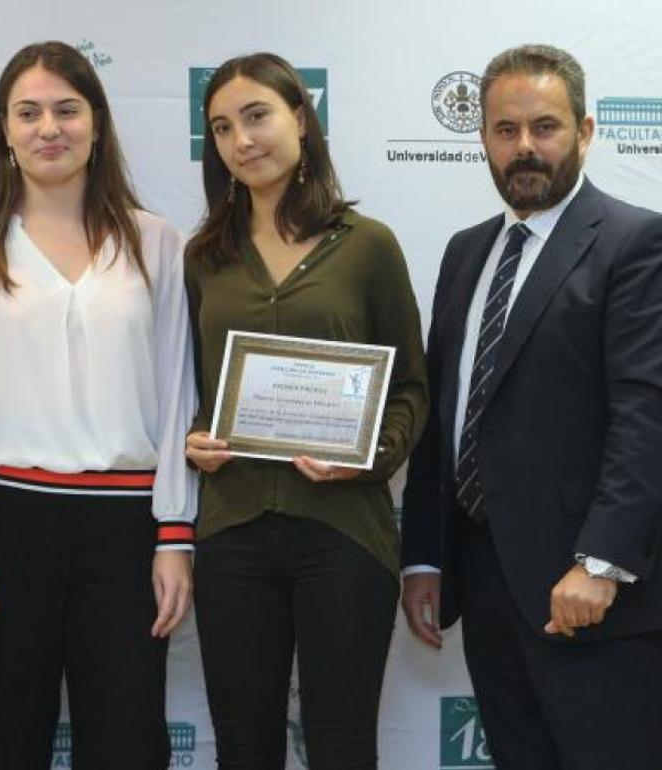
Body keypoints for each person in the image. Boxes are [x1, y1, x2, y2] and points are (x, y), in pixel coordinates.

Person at [400, 44, 662, 770]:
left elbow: (648, 417)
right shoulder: (465, 252)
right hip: (485, 581)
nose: (524, 148)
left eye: (544, 128)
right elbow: (446, 415)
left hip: (589, 594)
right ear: (482, 137)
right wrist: (423, 555)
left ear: (584, 131)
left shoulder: (636, 242)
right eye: (505, 129)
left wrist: (601, 563)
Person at [0, 40, 196, 770]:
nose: (48, 128)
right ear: (3, 130)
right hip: (2, 522)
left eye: (66, 110)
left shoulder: (155, 243)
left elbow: (179, 390)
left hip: (127, 528)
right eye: (28, 113)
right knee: (8, 739)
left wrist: (175, 534)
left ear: (97, 122)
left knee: (127, 745)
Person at [183, 53, 427, 770]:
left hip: (344, 532)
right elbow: (191, 391)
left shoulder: (369, 247)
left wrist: (368, 456)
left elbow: (412, 386)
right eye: (222, 127)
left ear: (301, 118)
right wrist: (195, 441)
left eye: (256, 115)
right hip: (232, 530)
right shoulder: (204, 257)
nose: (241, 140)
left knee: (342, 743)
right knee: (243, 744)